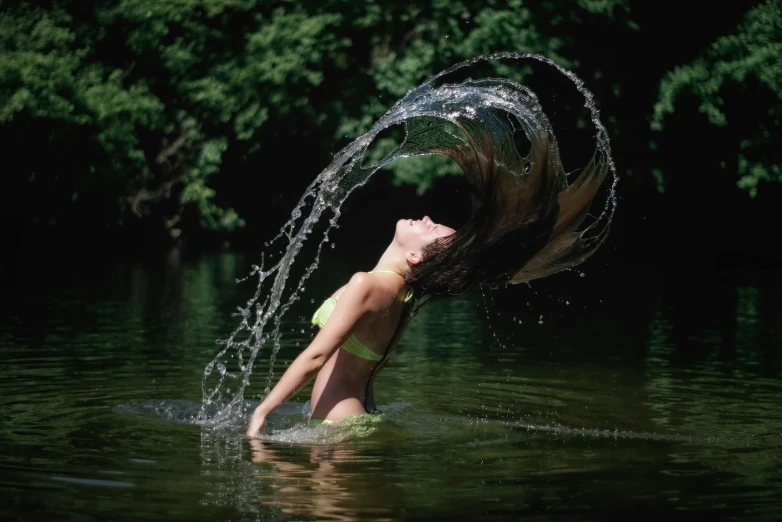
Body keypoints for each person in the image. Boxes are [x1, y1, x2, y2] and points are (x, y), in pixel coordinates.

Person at [247, 216, 456, 436]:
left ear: (414, 256)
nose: (426, 219)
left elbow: (317, 356)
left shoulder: (367, 284)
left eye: (431, 228)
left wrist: (262, 412)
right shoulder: (405, 296)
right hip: (362, 413)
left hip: (336, 423)